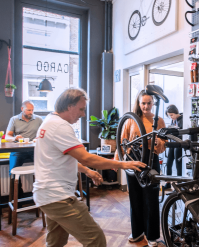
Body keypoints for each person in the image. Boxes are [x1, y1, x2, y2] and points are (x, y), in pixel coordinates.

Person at [33, 87, 145, 247]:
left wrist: (87, 171)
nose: (83, 114)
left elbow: (60, 159)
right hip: (58, 197)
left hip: (47, 195)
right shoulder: (60, 127)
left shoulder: (49, 122)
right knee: (95, 239)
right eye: (81, 109)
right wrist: (123, 163)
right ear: (69, 106)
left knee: (55, 242)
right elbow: (86, 157)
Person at [114, 90, 167, 246]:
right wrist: (116, 162)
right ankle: (137, 233)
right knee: (135, 197)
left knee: (151, 199)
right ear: (138, 103)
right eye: (143, 103)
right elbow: (122, 140)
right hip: (133, 161)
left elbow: (164, 144)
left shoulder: (159, 120)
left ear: (153, 103)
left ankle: (152, 236)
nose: (146, 106)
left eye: (149, 103)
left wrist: (159, 143)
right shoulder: (131, 119)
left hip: (151, 160)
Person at [5, 100, 43, 194]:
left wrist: (39, 138)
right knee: (13, 172)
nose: (31, 112)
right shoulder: (14, 119)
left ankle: (40, 194)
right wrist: (15, 137)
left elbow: (44, 133)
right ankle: (18, 197)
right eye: (28, 110)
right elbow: (7, 137)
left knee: (43, 169)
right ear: (22, 109)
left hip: (34, 149)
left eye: (32, 110)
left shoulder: (38, 119)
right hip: (19, 150)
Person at [163, 104, 183, 190]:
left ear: (176, 112)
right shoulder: (173, 120)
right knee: (168, 164)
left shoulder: (182, 120)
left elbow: (182, 133)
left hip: (179, 144)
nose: (171, 117)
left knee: (178, 165)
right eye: (169, 116)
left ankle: (179, 184)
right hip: (172, 143)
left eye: (171, 115)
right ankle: (168, 183)